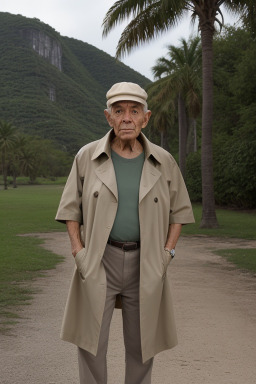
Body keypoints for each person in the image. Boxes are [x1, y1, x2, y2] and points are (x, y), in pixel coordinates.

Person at [55, 82, 195, 384]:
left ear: (146, 117)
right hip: (99, 259)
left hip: (145, 262)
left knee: (142, 346)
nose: (126, 118)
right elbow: (70, 210)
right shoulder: (87, 157)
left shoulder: (164, 160)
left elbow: (180, 212)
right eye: (119, 111)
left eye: (134, 111)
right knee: (90, 342)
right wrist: (78, 252)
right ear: (108, 117)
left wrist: (167, 253)